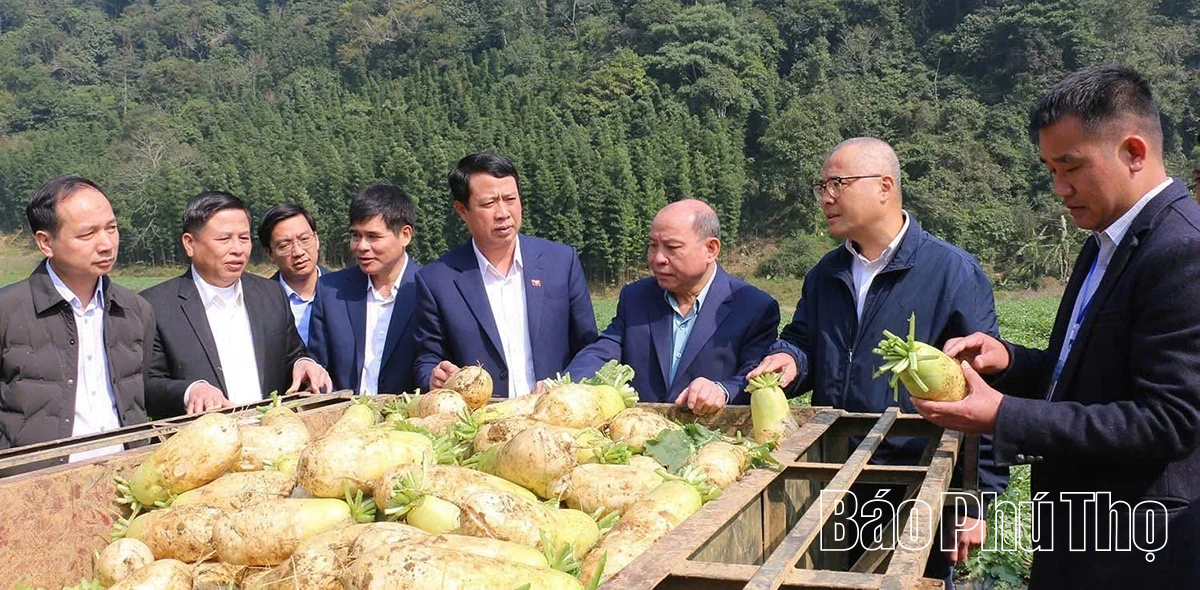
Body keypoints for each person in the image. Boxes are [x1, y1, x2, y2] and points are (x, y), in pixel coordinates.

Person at [913, 65, 1200, 588]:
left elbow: (1170, 421)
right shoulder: (1103, 244)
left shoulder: (1182, 251)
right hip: (1078, 535)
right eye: (1050, 170)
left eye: (1071, 167)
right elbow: (1088, 378)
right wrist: (1010, 361)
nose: (1060, 188)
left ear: (1134, 152)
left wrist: (1004, 415)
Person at [746, 137, 1008, 586]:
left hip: (914, 481)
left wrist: (975, 500)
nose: (826, 197)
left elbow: (981, 388)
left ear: (885, 187)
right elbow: (804, 340)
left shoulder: (951, 272)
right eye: (822, 186)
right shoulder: (826, 274)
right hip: (831, 476)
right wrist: (790, 359)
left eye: (838, 184)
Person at [0, 176, 156, 473]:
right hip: (33, 484)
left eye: (111, 228)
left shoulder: (135, 310)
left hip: (125, 477)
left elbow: (139, 391)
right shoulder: (8, 311)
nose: (106, 244)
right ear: (46, 242)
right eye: (87, 234)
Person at [564, 200, 778, 413]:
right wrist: (565, 386)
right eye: (653, 245)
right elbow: (604, 350)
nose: (657, 258)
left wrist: (722, 390)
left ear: (711, 249)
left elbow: (755, 374)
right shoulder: (636, 297)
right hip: (640, 428)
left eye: (672, 247)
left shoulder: (753, 307)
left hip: (713, 431)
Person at [413, 152, 598, 398]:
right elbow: (426, 359)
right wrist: (434, 376)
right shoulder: (437, 280)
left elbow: (589, 348)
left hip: (553, 411)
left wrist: (565, 383)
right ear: (462, 210)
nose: (503, 213)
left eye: (510, 199)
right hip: (480, 415)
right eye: (489, 204)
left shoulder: (560, 262)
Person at [142, 191, 331, 417]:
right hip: (202, 435)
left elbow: (292, 355)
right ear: (190, 244)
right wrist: (189, 391)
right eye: (224, 239)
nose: (238, 249)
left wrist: (304, 364)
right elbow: (147, 385)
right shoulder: (155, 306)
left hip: (271, 430)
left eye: (244, 238)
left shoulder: (271, 295)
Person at [308, 184, 421, 395]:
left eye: (373, 236)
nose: (361, 246)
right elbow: (318, 367)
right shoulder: (331, 291)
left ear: (405, 235)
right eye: (356, 236)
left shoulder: (429, 291)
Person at [259, 203, 329, 346]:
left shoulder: (345, 291)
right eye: (285, 245)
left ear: (316, 239)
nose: (298, 252)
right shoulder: (260, 303)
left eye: (305, 239)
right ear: (269, 254)